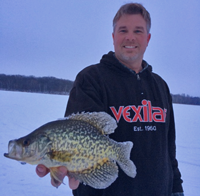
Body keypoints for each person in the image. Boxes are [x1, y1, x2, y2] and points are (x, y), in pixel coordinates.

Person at [36, 3, 184, 196]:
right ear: (113, 37)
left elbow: (169, 151)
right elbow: (75, 140)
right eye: (123, 30)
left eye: (137, 31)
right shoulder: (91, 79)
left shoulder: (160, 86)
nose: (130, 37)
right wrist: (66, 167)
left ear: (147, 39)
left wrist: (176, 190)